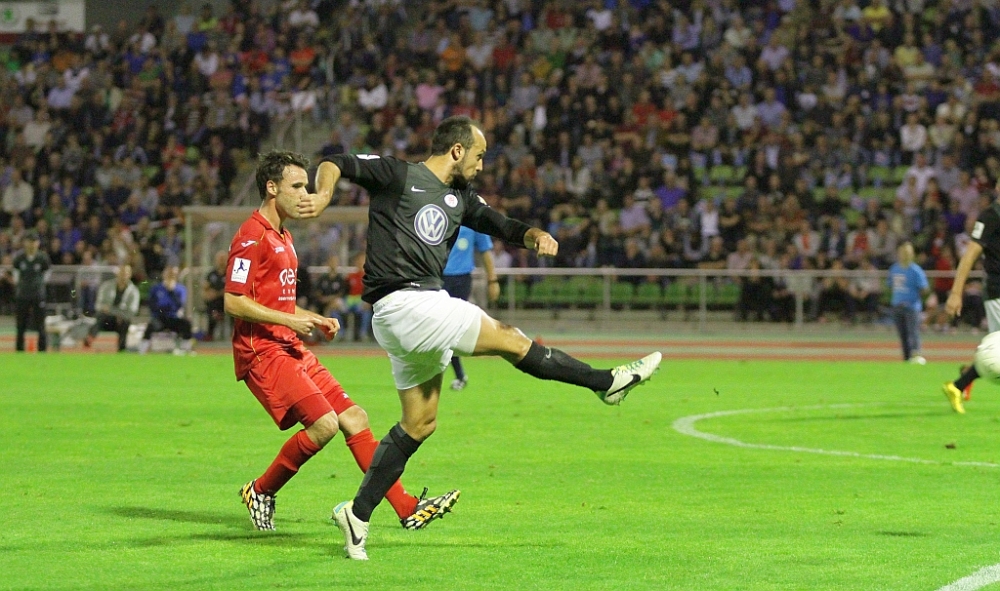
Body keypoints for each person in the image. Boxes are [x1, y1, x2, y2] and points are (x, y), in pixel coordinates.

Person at [300, 116, 661, 560]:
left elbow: (500, 223)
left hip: (410, 313)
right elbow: (335, 162)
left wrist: (534, 235)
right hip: (406, 303)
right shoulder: (397, 174)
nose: (482, 165)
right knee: (511, 339)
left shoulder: (462, 198)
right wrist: (323, 193)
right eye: (479, 155)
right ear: (457, 150)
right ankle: (606, 383)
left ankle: (357, 515)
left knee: (420, 423)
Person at [225, 150, 454, 533]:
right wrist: (290, 320)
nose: (305, 194)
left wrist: (310, 317)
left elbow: (275, 300)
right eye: (297, 186)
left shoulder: (283, 236)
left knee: (354, 417)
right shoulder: (252, 235)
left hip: (289, 347)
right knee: (325, 425)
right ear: (272, 188)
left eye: (306, 186)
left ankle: (407, 508)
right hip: (262, 352)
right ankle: (260, 491)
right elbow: (233, 301)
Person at [943, 179, 1000, 414]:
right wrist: (956, 293)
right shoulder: (991, 216)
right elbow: (969, 256)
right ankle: (959, 384)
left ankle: (958, 385)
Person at [442, 226, 500, 389]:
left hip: (460, 280)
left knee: (449, 329)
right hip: (436, 277)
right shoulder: (438, 216)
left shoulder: (473, 222)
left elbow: (485, 251)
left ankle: (458, 375)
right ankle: (458, 375)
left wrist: (492, 281)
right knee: (440, 329)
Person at [887, 242, 930, 365]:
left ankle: (916, 355)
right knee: (903, 334)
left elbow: (924, 288)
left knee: (913, 332)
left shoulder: (915, 270)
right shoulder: (894, 269)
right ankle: (906, 357)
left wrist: (914, 297)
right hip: (897, 305)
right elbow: (890, 285)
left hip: (912, 306)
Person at [138, 265, 195, 355]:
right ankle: (142, 349)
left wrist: (171, 291)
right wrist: (163, 309)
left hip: (174, 317)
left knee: (186, 324)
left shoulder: (180, 289)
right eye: (169, 274)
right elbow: (152, 304)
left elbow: (179, 304)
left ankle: (186, 348)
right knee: (151, 326)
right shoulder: (156, 288)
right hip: (159, 317)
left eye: (173, 274)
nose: (171, 276)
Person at [84, 263, 140, 351]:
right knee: (101, 316)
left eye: (126, 273)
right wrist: (116, 313)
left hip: (121, 321)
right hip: (106, 319)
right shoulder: (106, 286)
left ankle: (121, 349)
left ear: (130, 274)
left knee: (125, 322)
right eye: (121, 272)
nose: (123, 275)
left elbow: (132, 311)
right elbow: (99, 305)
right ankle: (90, 339)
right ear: (117, 273)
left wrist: (113, 311)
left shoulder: (134, 291)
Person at [12, 229, 50, 352]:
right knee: (21, 324)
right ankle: (19, 349)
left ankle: (42, 349)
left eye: (34, 241)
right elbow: (15, 273)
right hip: (23, 295)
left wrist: (39, 285)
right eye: (29, 241)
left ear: (38, 243)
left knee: (40, 324)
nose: (32, 244)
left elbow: (47, 272)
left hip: (38, 295)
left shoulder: (42, 258)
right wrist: (21, 286)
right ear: (25, 242)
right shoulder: (20, 258)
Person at [202, 250, 227, 341]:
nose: (221, 261)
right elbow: (205, 288)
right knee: (211, 306)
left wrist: (217, 293)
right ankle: (210, 334)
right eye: (219, 259)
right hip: (214, 302)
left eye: (223, 259)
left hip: (227, 301)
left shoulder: (230, 273)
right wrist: (208, 294)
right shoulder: (211, 274)